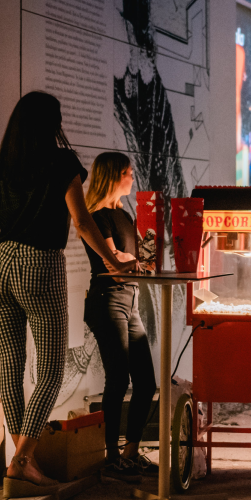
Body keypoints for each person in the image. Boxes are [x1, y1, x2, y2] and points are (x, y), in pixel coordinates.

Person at [0, 92, 136, 498]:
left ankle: (24, 462)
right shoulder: (62, 162)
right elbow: (83, 222)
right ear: (50, 124)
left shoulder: (1, 167)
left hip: (0, 265)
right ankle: (20, 464)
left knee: (11, 367)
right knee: (51, 369)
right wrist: (112, 262)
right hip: (39, 264)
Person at [80, 152, 157, 483]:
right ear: (112, 177)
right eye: (127, 172)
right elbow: (115, 260)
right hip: (107, 299)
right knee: (119, 379)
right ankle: (110, 456)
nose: (132, 176)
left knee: (146, 383)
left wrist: (135, 259)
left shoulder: (124, 214)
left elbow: (139, 257)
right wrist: (129, 260)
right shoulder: (98, 217)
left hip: (130, 300)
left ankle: (130, 452)